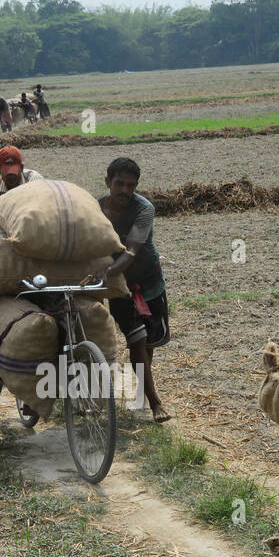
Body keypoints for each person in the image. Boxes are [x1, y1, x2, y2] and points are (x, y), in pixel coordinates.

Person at [97, 157, 171, 423]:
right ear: (108, 183)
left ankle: (142, 389)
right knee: (137, 340)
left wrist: (106, 272)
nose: (125, 190)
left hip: (149, 282)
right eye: (119, 184)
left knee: (149, 342)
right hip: (120, 287)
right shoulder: (95, 209)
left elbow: (131, 251)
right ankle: (155, 402)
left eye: (131, 185)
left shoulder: (144, 209)